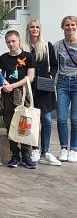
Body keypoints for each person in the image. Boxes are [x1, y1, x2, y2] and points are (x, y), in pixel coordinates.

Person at [22, 19, 60, 166]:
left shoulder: (46, 45)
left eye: (37, 27)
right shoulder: (23, 47)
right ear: (28, 29)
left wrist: (51, 75)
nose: (35, 29)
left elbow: (55, 65)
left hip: (44, 88)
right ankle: (35, 149)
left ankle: (46, 151)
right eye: (32, 27)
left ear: (40, 29)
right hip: (30, 89)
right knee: (32, 121)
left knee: (47, 121)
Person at [0, 30, 36, 168]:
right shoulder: (3, 58)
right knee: (11, 125)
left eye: (13, 41)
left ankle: (26, 155)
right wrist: (5, 84)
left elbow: (30, 77)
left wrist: (13, 85)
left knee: (24, 124)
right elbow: (1, 75)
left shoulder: (28, 56)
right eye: (8, 42)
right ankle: (14, 154)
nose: (11, 44)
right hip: (8, 95)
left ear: (19, 40)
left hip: (22, 94)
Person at [53, 16, 77, 163]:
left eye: (73, 25)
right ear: (62, 27)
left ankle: (73, 149)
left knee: (75, 119)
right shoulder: (58, 45)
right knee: (61, 118)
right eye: (67, 25)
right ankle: (63, 148)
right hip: (62, 83)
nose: (70, 27)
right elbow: (54, 66)